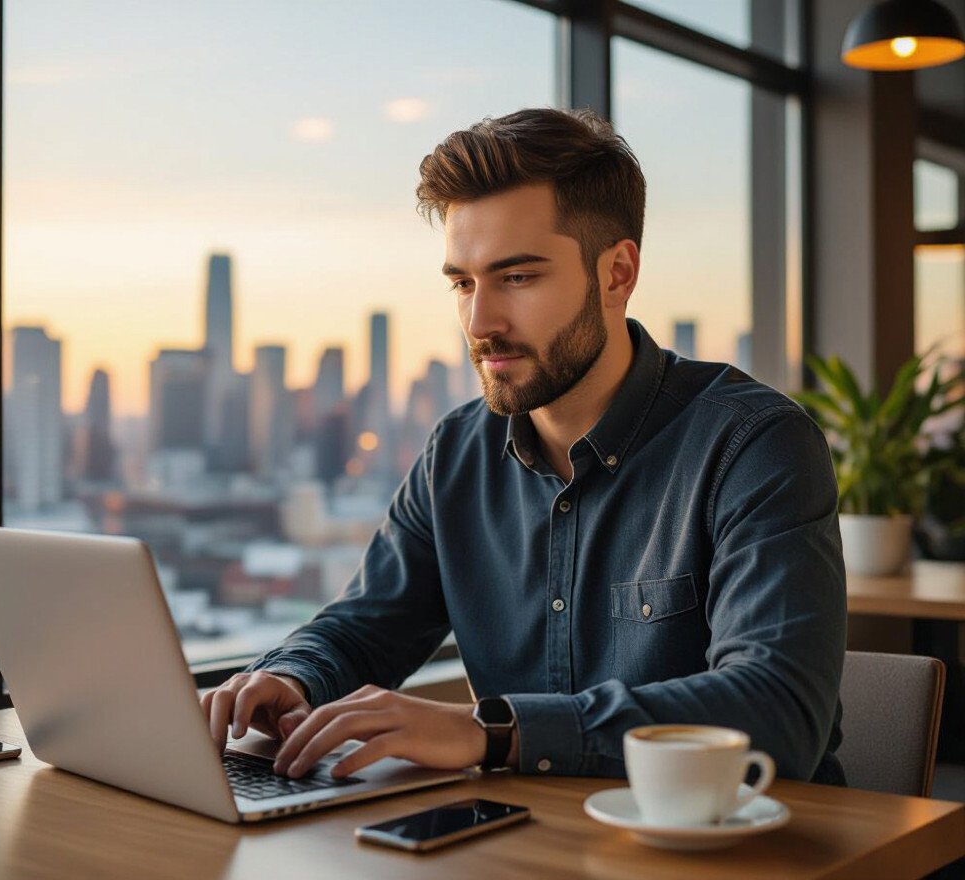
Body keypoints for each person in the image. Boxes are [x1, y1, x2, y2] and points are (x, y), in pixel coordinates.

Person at [201, 107, 846, 786]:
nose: (480, 322)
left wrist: (494, 732)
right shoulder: (456, 453)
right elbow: (367, 625)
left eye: (517, 277)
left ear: (617, 274)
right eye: (463, 283)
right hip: (530, 843)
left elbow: (778, 710)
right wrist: (288, 676)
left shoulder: (753, 446)